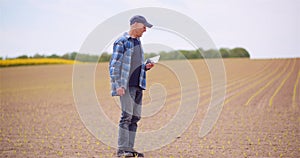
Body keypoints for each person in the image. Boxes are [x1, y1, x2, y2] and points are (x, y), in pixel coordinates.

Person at [109, 15, 154, 157]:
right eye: (144, 26)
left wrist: (145, 67)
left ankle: (129, 148)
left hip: (138, 85)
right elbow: (114, 66)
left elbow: (135, 65)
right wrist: (118, 85)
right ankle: (122, 149)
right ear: (135, 24)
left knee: (135, 117)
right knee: (126, 116)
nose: (145, 29)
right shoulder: (121, 42)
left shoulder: (138, 43)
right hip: (125, 86)